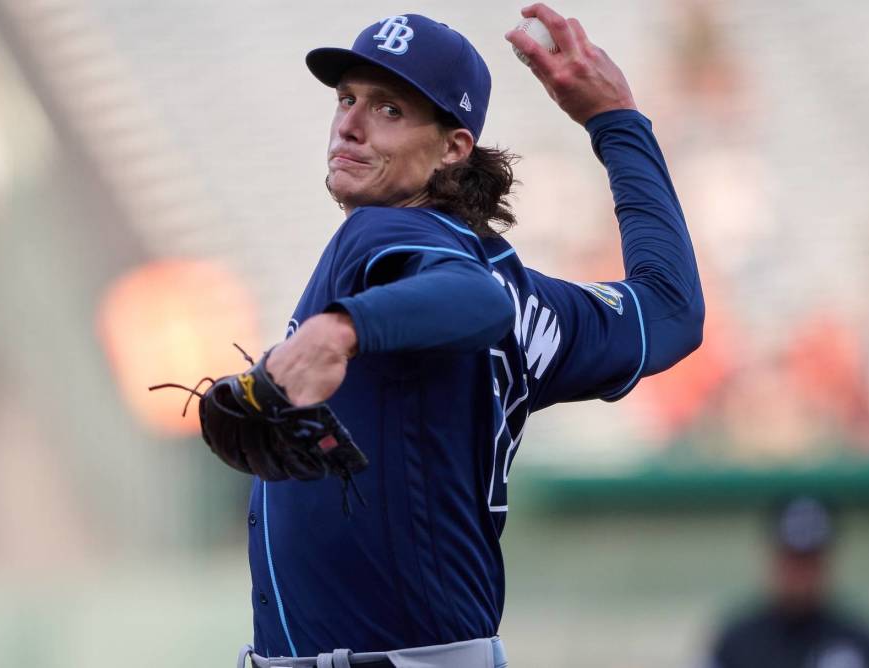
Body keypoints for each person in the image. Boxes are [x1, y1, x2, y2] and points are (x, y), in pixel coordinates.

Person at [238, 5, 704, 666]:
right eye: (347, 98)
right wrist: (617, 121)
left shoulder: (381, 232)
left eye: (388, 109)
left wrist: (343, 328)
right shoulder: (529, 295)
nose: (348, 124)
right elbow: (669, 311)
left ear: (453, 147)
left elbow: (471, 299)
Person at [707, 496, 869, 668]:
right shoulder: (737, 642)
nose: (800, 573)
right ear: (772, 557)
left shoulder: (859, 639)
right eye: (792, 559)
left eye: (809, 560)